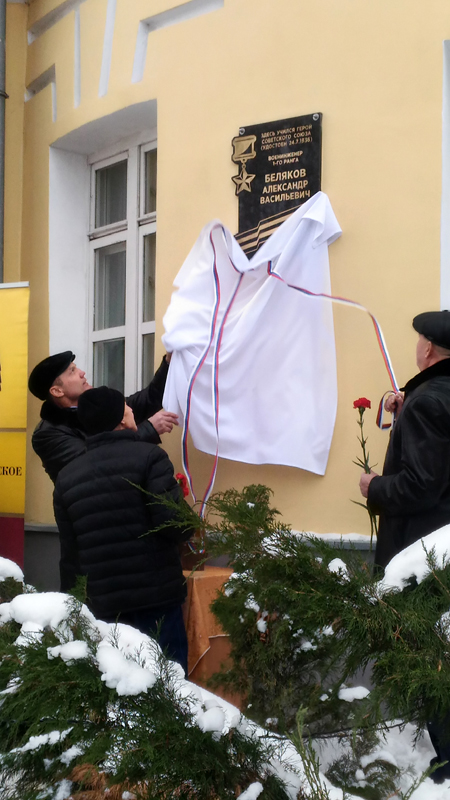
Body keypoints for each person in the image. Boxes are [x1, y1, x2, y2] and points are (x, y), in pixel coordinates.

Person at [359, 309, 450, 783]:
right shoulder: (432, 397)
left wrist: (373, 486)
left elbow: (421, 485)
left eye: (418, 340)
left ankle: (448, 760)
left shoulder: (427, 402)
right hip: (445, 548)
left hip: (424, 556)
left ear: (428, 349)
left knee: (430, 659)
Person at [53, 386, 192, 674]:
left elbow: (70, 556)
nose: (131, 410)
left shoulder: (66, 479)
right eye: (127, 407)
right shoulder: (150, 457)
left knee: (118, 687)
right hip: (156, 600)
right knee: (170, 683)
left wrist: (76, 610)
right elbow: (175, 523)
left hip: (103, 608)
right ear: (120, 419)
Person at [28, 350, 178, 483]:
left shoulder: (98, 407)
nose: (82, 373)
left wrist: (168, 363)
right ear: (57, 391)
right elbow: (91, 462)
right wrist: (148, 429)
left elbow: (149, 399)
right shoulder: (47, 434)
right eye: (72, 371)